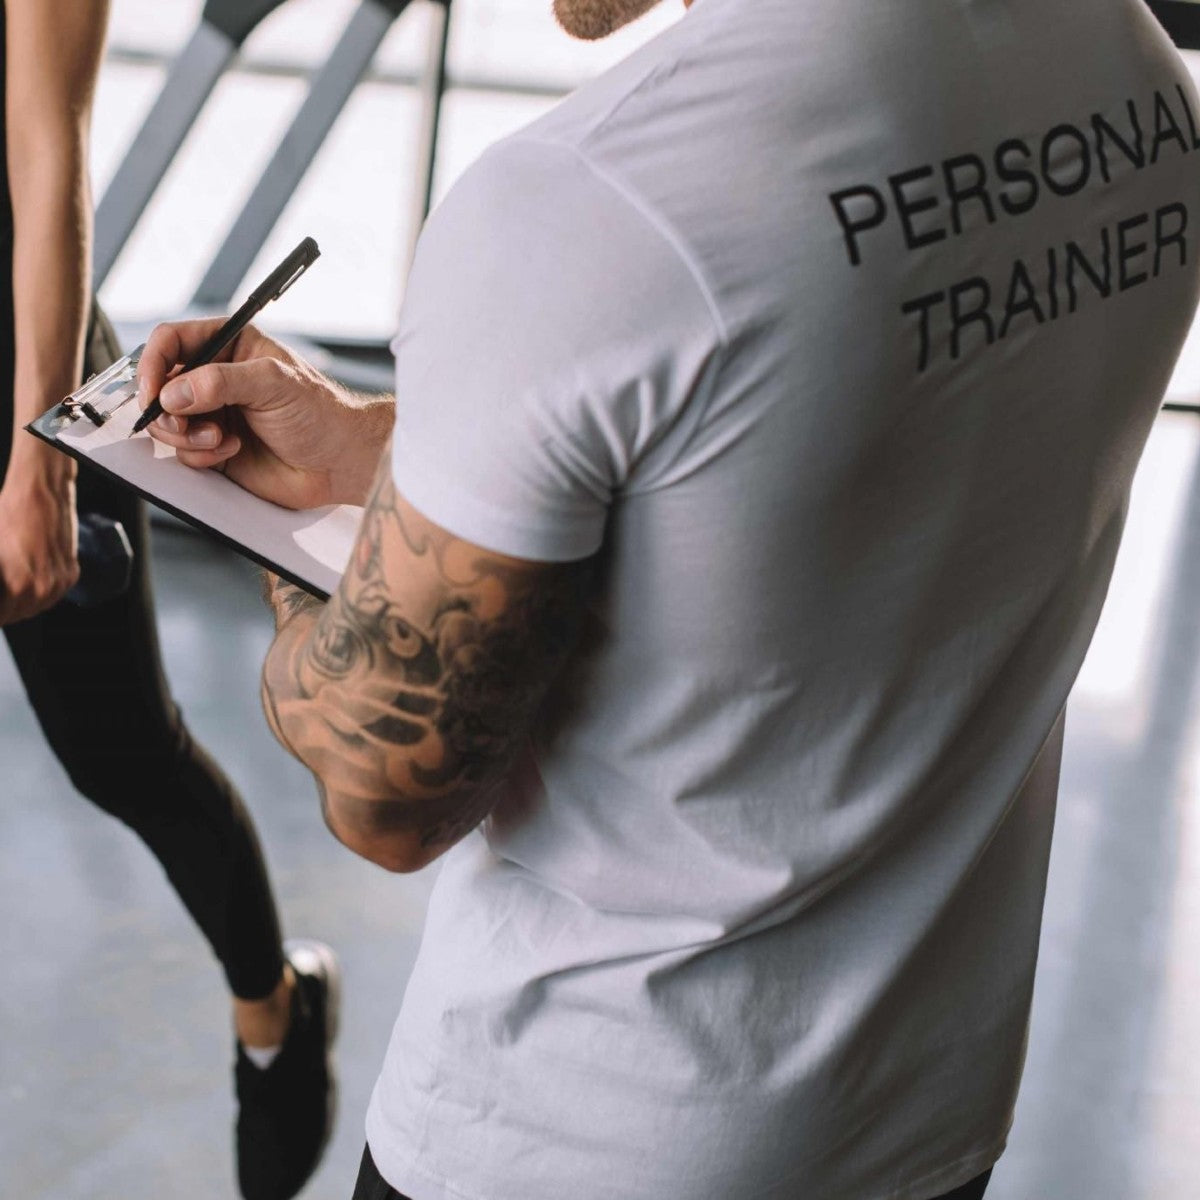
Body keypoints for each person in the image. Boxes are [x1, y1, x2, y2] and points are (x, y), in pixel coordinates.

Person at [134, 0, 1200, 1196]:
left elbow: (385, 789)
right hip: (916, 1125)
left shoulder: (594, 197)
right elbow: (790, 466)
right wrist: (402, 450)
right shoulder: (1130, 70)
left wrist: (285, 532)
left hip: (582, 1136)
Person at [0, 4, 337, 1196]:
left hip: (18, 389)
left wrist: (37, 461)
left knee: (123, 757)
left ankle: (277, 1016)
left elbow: (48, 161)